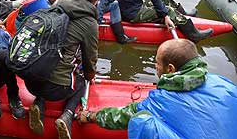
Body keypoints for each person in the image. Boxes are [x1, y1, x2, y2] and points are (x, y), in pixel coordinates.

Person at [78, 39, 237, 139]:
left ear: (170, 69)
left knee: (142, 120)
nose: (155, 66)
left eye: (157, 63)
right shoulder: (224, 83)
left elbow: (120, 117)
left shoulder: (160, 100)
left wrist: (91, 116)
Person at [18, 0, 102, 139]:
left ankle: (39, 103)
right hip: (56, 90)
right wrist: (90, 75)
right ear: (95, 0)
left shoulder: (56, 5)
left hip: (30, 80)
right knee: (81, 81)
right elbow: (90, 60)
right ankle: (67, 116)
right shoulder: (90, 23)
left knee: (48, 62)